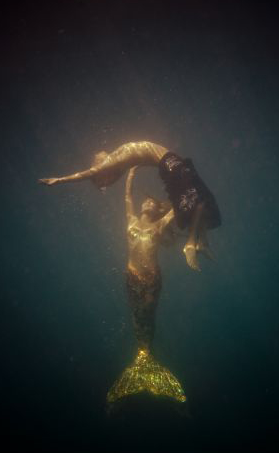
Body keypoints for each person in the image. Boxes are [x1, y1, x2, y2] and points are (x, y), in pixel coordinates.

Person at [39, 140, 221, 270]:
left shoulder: (118, 160)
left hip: (167, 163)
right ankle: (191, 243)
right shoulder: (113, 161)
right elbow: (89, 173)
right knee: (196, 195)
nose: (101, 153)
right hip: (168, 162)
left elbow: (103, 173)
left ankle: (201, 242)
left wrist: (133, 171)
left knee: (198, 196)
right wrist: (60, 180)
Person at [106, 167, 186, 405]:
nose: (148, 202)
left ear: (156, 209)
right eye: (147, 201)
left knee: (147, 317)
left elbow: (177, 207)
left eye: (153, 202)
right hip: (132, 277)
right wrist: (131, 173)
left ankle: (147, 360)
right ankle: (142, 361)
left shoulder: (159, 225)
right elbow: (127, 197)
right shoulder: (131, 219)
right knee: (136, 317)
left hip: (151, 280)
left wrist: (179, 185)